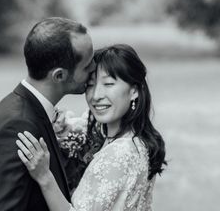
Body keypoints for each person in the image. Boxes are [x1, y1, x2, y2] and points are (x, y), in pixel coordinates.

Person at [16, 44, 167, 211]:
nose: (96, 96)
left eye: (108, 84)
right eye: (90, 85)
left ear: (134, 91)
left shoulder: (118, 153)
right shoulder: (132, 139)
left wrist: (45, 177)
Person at [0, 17, 95, 211]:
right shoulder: (16, 127)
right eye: (87, 66)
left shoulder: (25, 110)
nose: (95, 68)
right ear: (59, 75)